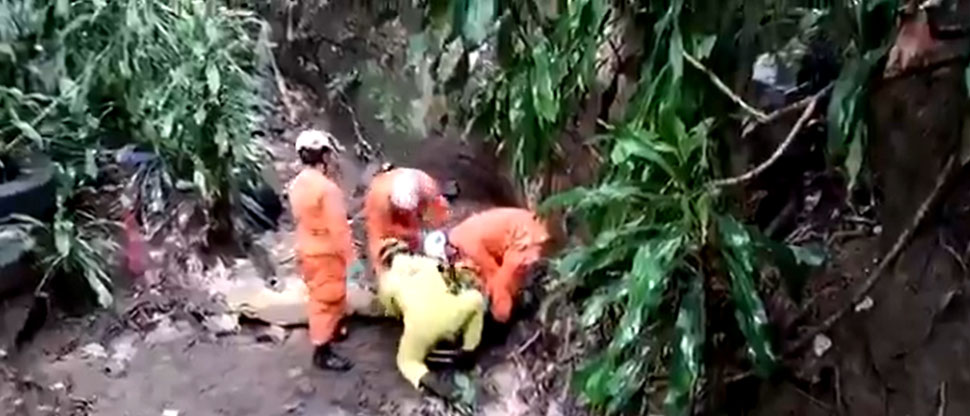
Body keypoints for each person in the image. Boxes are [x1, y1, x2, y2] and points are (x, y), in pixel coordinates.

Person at [375, 237, 485, 398]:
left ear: (386, 262)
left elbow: (392, 311)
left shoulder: (387, 281)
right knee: (476, 300)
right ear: (407, 251)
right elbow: (453, 278)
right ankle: (468, 352)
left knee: (406, 362)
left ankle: (433, 382)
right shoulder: (431, 262)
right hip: (452, 313)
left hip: (421, 328)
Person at [288, 129, 355, 371]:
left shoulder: (297, 184)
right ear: (325, 156)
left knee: (324, 294)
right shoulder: (328, 190)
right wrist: (353, 260)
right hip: (326, 252)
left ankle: (333, 330)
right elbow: (339, 230)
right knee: (326, 299)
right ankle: (322, 351)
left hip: (307, 246)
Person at [448, 207, 551, 324]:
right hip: (526, 226)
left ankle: (502, 322)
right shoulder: (461, 234)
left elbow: (491, 272)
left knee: (499, 286)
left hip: (524, 238)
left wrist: (487, 292)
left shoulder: (469, 245)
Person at [363, 166, 450, 276]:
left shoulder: (427, 186)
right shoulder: (378, 199)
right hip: (388, 225)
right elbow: (376, 237)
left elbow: (443, 217)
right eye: (404, 214)